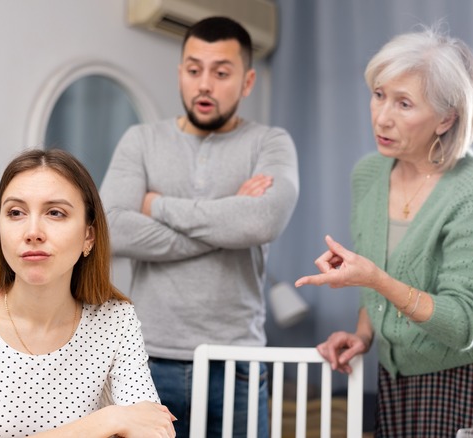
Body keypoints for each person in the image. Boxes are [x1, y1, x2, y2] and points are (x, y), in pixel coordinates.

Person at [295, 26, 473, 437]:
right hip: (397, 380)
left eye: (404, 103)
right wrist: (363, 334)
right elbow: (378, 284)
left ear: (446, 118)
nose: (382, 117)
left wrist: (375, 278)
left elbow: (463, 324)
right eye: (379, 95)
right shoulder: (368, 174)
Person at [99, 16, 299, 437]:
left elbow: (262, 220)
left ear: (247, 82)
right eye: (194, 70)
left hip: (237, 363)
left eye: (221, 73)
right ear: (180, 74)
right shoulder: (141, 140)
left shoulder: (270, 143)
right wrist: (228, 218)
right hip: (147, 360)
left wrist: (156, 205)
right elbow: (112, 229)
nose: (204, 84)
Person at [0, 149, 176, 438]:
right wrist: (107, 421)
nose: (33, 232)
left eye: (55, 213)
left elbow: (149, 427)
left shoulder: (116, 320)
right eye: (16, 213)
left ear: (88, 236)